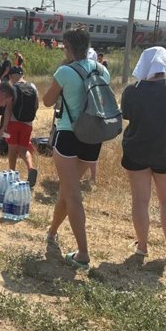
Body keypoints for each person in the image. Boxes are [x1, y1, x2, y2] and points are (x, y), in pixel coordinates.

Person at [41, 26, 109, 271]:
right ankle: (51, 233)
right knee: (67, 190)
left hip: (68, 135)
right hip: (93, 137)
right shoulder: (102, 70)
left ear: (68, 47)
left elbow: (47, 101)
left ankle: (83, 253)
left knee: (72, 194)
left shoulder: (65, 71)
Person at [121, 46, 166, 261]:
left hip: (136, 151)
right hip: (165, 152)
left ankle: (142, 247)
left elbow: (126, 116)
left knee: (140, 201)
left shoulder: (131, 91)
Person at [1, 66, 38, 187]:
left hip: (13, 123)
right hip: (27, 124)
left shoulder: (12, 88)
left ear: (11, 76)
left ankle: (11, 175)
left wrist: (4, 127)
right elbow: (36, 105)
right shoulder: (32, 86)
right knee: (23, 149)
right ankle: (31, 168)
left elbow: (8, 109)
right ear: (22, 74)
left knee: (12, 149)